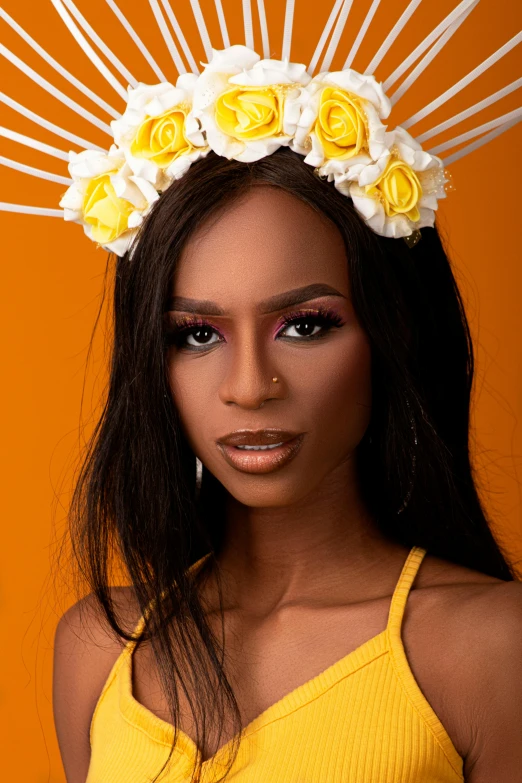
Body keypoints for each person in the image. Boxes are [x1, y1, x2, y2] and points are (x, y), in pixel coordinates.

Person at [52, 147, 521, 783]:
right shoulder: (101, 647)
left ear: (393, 332)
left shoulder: (492, 647)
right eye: (196, 334)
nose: (249, 387)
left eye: (303, 326)